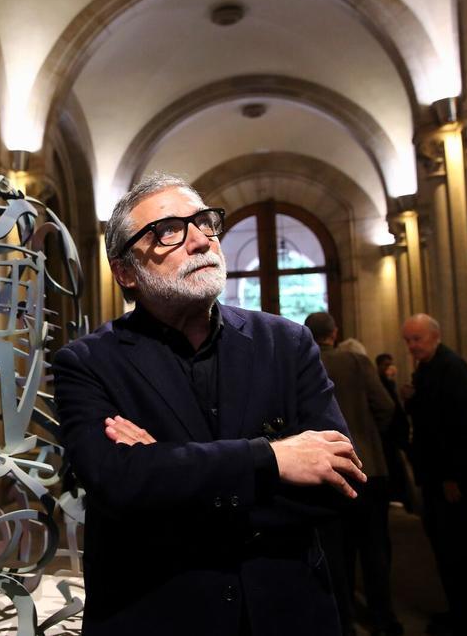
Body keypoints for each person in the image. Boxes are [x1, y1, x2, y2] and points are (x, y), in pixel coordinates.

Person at [53, 172, 365, 635]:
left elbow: (336, 483)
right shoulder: (87, 363)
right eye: (168, 231)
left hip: (285, 614)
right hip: (158, 617)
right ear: (125, 272)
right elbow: (117, 485)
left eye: (204, 222)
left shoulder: (286, 343)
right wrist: (273, 457)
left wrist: (165, 472)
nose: (200, 241)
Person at [305, 313, 401, 636]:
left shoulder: (300, 359)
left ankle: (343, 622)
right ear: (335, 332)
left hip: (327, 472)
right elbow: (386, 407)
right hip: (368, 468)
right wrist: (370, 438)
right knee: (375, 549)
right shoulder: (357, 362)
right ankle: (383, 619)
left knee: (336, 553)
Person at [400, 314, 467, 636]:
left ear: (435, 336)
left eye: (417, 339)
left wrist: (452, 476)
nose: (411, 347)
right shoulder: (428, 368)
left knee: (460, 548)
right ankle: (459, 611)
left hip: (453, 476)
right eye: (408, 340)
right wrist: (411, 399)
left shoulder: (452, 368)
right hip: (436, 473)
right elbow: (428, 416)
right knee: (445, 548)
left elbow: (460, 425)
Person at [375, 353, 414, 512]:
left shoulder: (390, 383)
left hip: (396, 435)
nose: (390, 368)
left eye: (391, 364)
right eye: (385, 365)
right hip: (389, 436)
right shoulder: (381, 383)